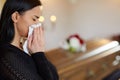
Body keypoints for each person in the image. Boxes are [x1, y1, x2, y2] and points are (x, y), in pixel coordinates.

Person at [0, 0, 59, 80]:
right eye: (34, 19)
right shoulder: (7, 56)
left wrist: (38, 52)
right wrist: (39, 54)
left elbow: (54, 75)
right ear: (16, 17)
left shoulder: (27, 48)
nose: (38, 24)